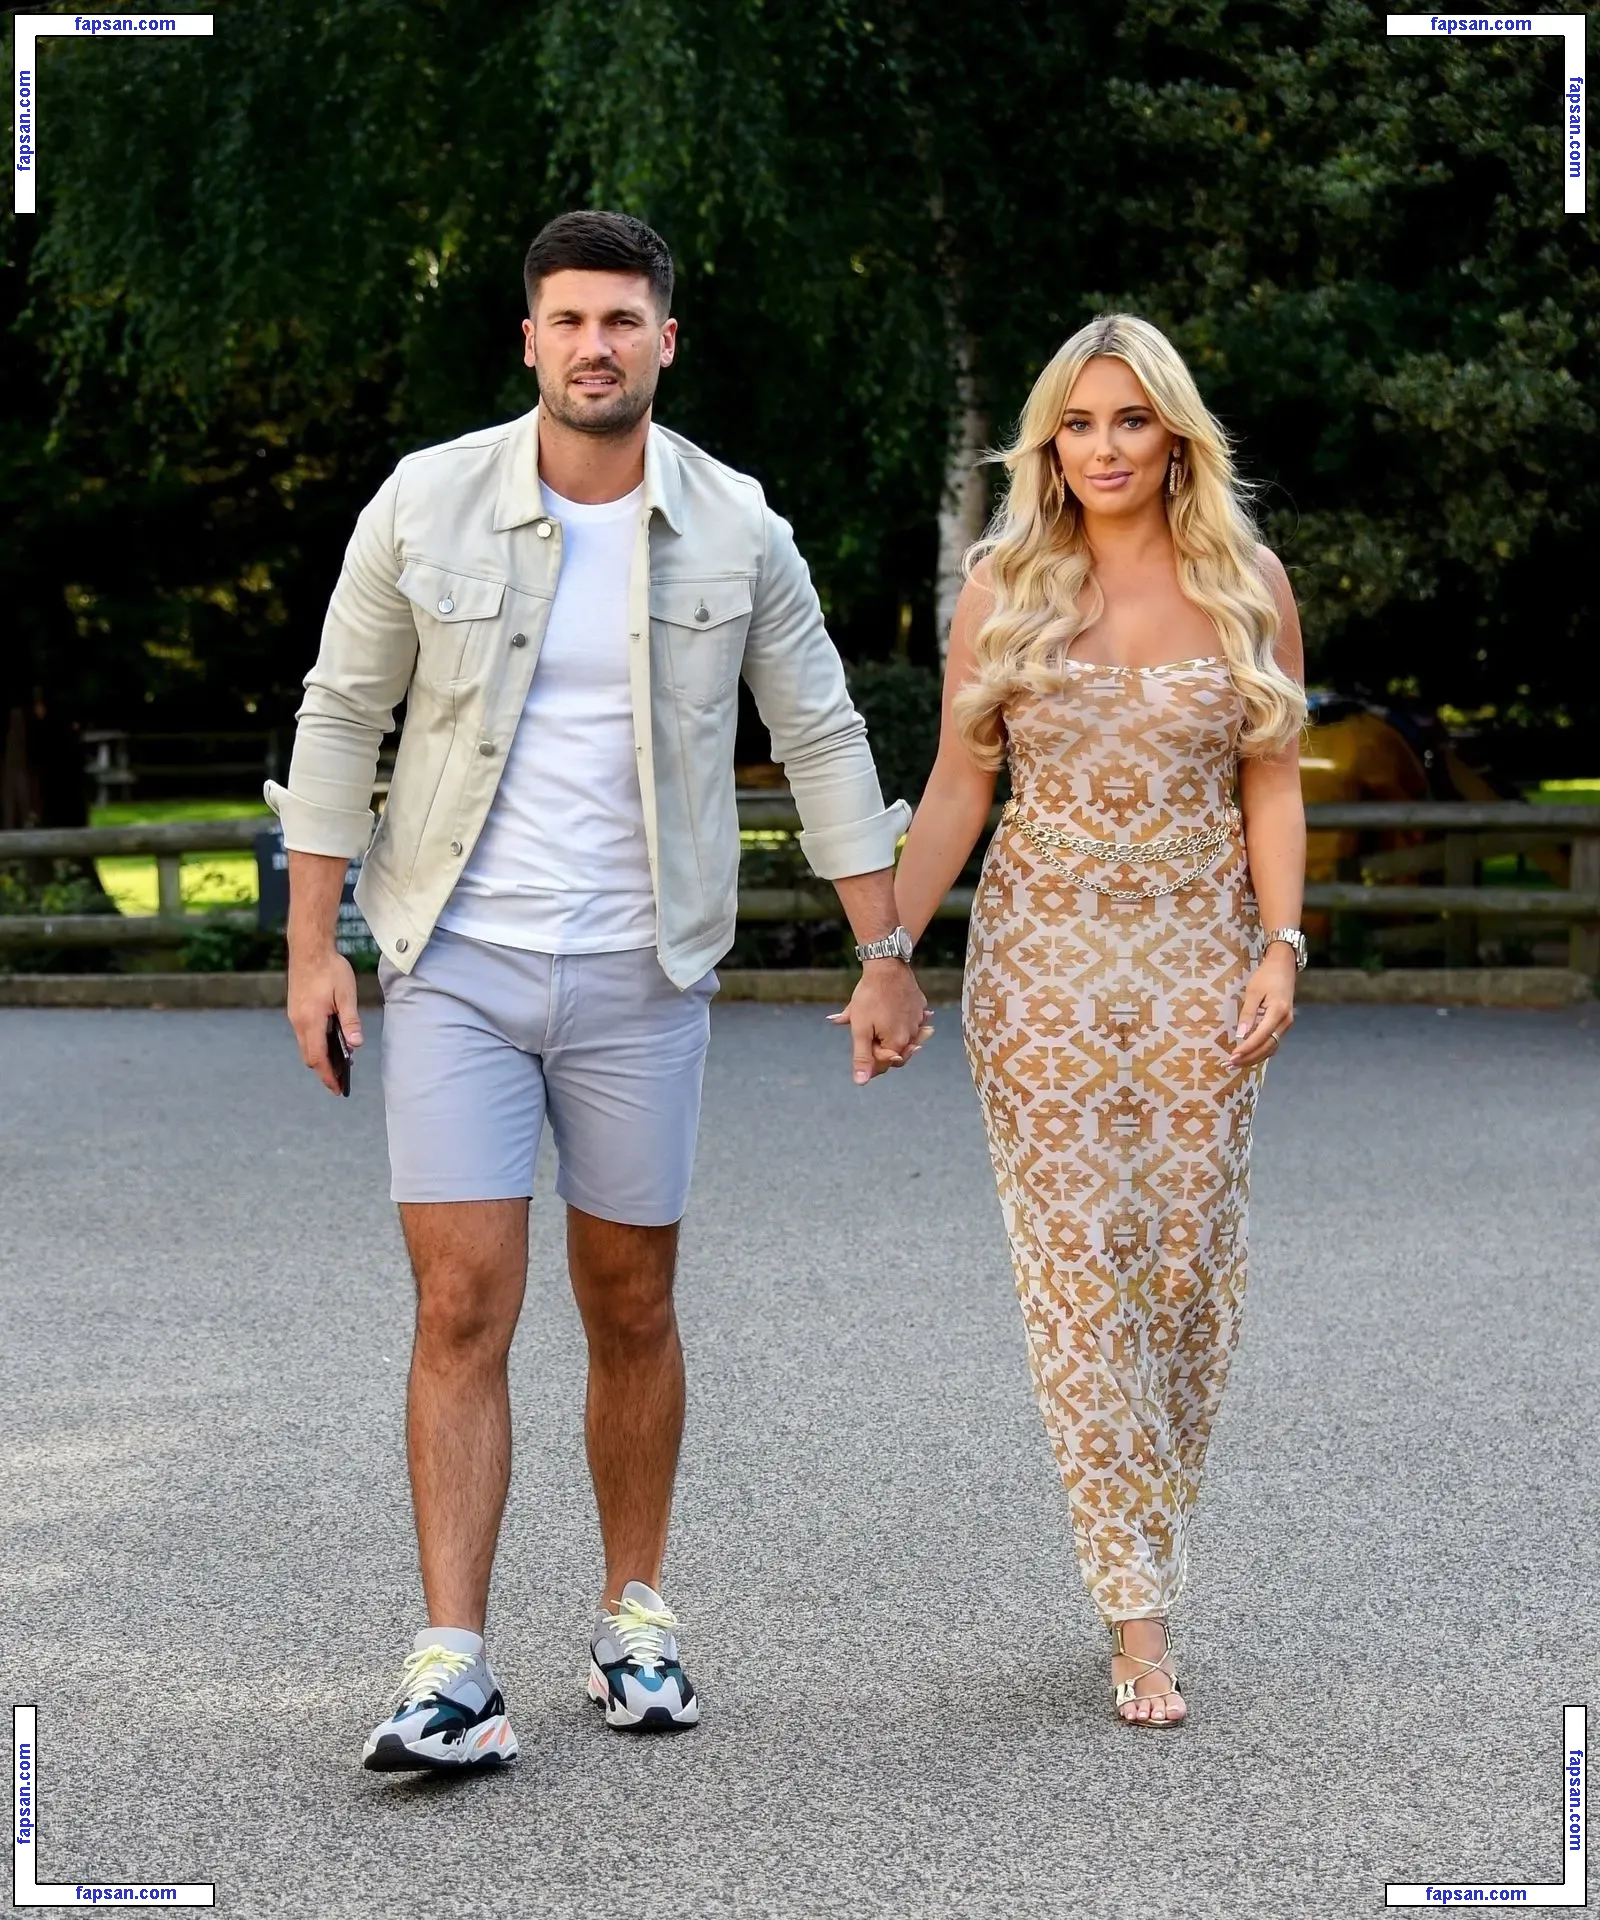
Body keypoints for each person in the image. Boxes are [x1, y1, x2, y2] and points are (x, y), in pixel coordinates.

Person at [267, 210, 932, 1771]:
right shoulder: (425, 501)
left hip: (646, 976)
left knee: (630, 1303)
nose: (594, 345)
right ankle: (452, 1667)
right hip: (458, 966)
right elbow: (340, 716)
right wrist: (311, 946)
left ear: (665, 342)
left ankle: (637, 1619)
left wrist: (885, 952)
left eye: (622, 320)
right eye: (568, 319)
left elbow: (821, 734)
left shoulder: (738, 527)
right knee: (460, 1303)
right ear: (528, 340)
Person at [893, 314, 1307, 1727]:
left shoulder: (1248, 582)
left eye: (1131, 420)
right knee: (1078, 1279)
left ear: (1175, 436)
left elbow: (1273, 781)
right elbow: (959, 784)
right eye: (1078, 423)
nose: (1105, 447)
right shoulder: (1003, 585)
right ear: (1048, 443)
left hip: (1202, 963)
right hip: (1042, 973)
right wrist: (888, 951)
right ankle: (1137, 1611)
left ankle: (1147, 1530)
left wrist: (1281, 946)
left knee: (1184, 1275)